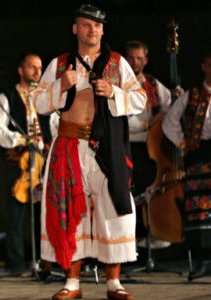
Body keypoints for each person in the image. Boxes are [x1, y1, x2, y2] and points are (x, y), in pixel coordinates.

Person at [33, 5, 147, 300]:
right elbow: (39, 104)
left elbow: (140, 99)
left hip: (106, 146)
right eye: (86, 24)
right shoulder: (60, 64)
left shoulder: (117, 63)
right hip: (69, 145)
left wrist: (114, 92)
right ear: (76, 29)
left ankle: (114, 284)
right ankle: (72, 283)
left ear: (103, 30)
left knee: (113, 208)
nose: (92, 30)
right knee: (71, 210)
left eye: (97, 25)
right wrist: (60, 85)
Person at [0, 53, 52, 275]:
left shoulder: (45, 97)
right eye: (32, 67)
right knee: (15, 216)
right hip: (18, 163)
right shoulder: (8, 97)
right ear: (21, 70)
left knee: (44, 214)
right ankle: (15, 264)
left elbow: (53, 125)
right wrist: (21, 139)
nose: (37, 71)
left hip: (43, 162)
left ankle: (45, 261)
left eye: (40, 67)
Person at [162, 53, 211, 281]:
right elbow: (169, 121)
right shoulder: (192, 94)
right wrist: (183, 143)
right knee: (198, 209)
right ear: (204, 66)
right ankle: (203, 260)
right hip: (199, 153)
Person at [125, 40, 172, 249]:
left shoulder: (152, 84)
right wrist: (147, 123)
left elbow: (168, 105)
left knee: (148, 191)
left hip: (149, 148)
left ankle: (148, 239)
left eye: (139, 58)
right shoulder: (118, 85)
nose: (135, 63)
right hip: (127, 146)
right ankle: (128, 241)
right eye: (131, 58)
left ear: (145, 61)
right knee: (128, 194)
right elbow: (120, 120)